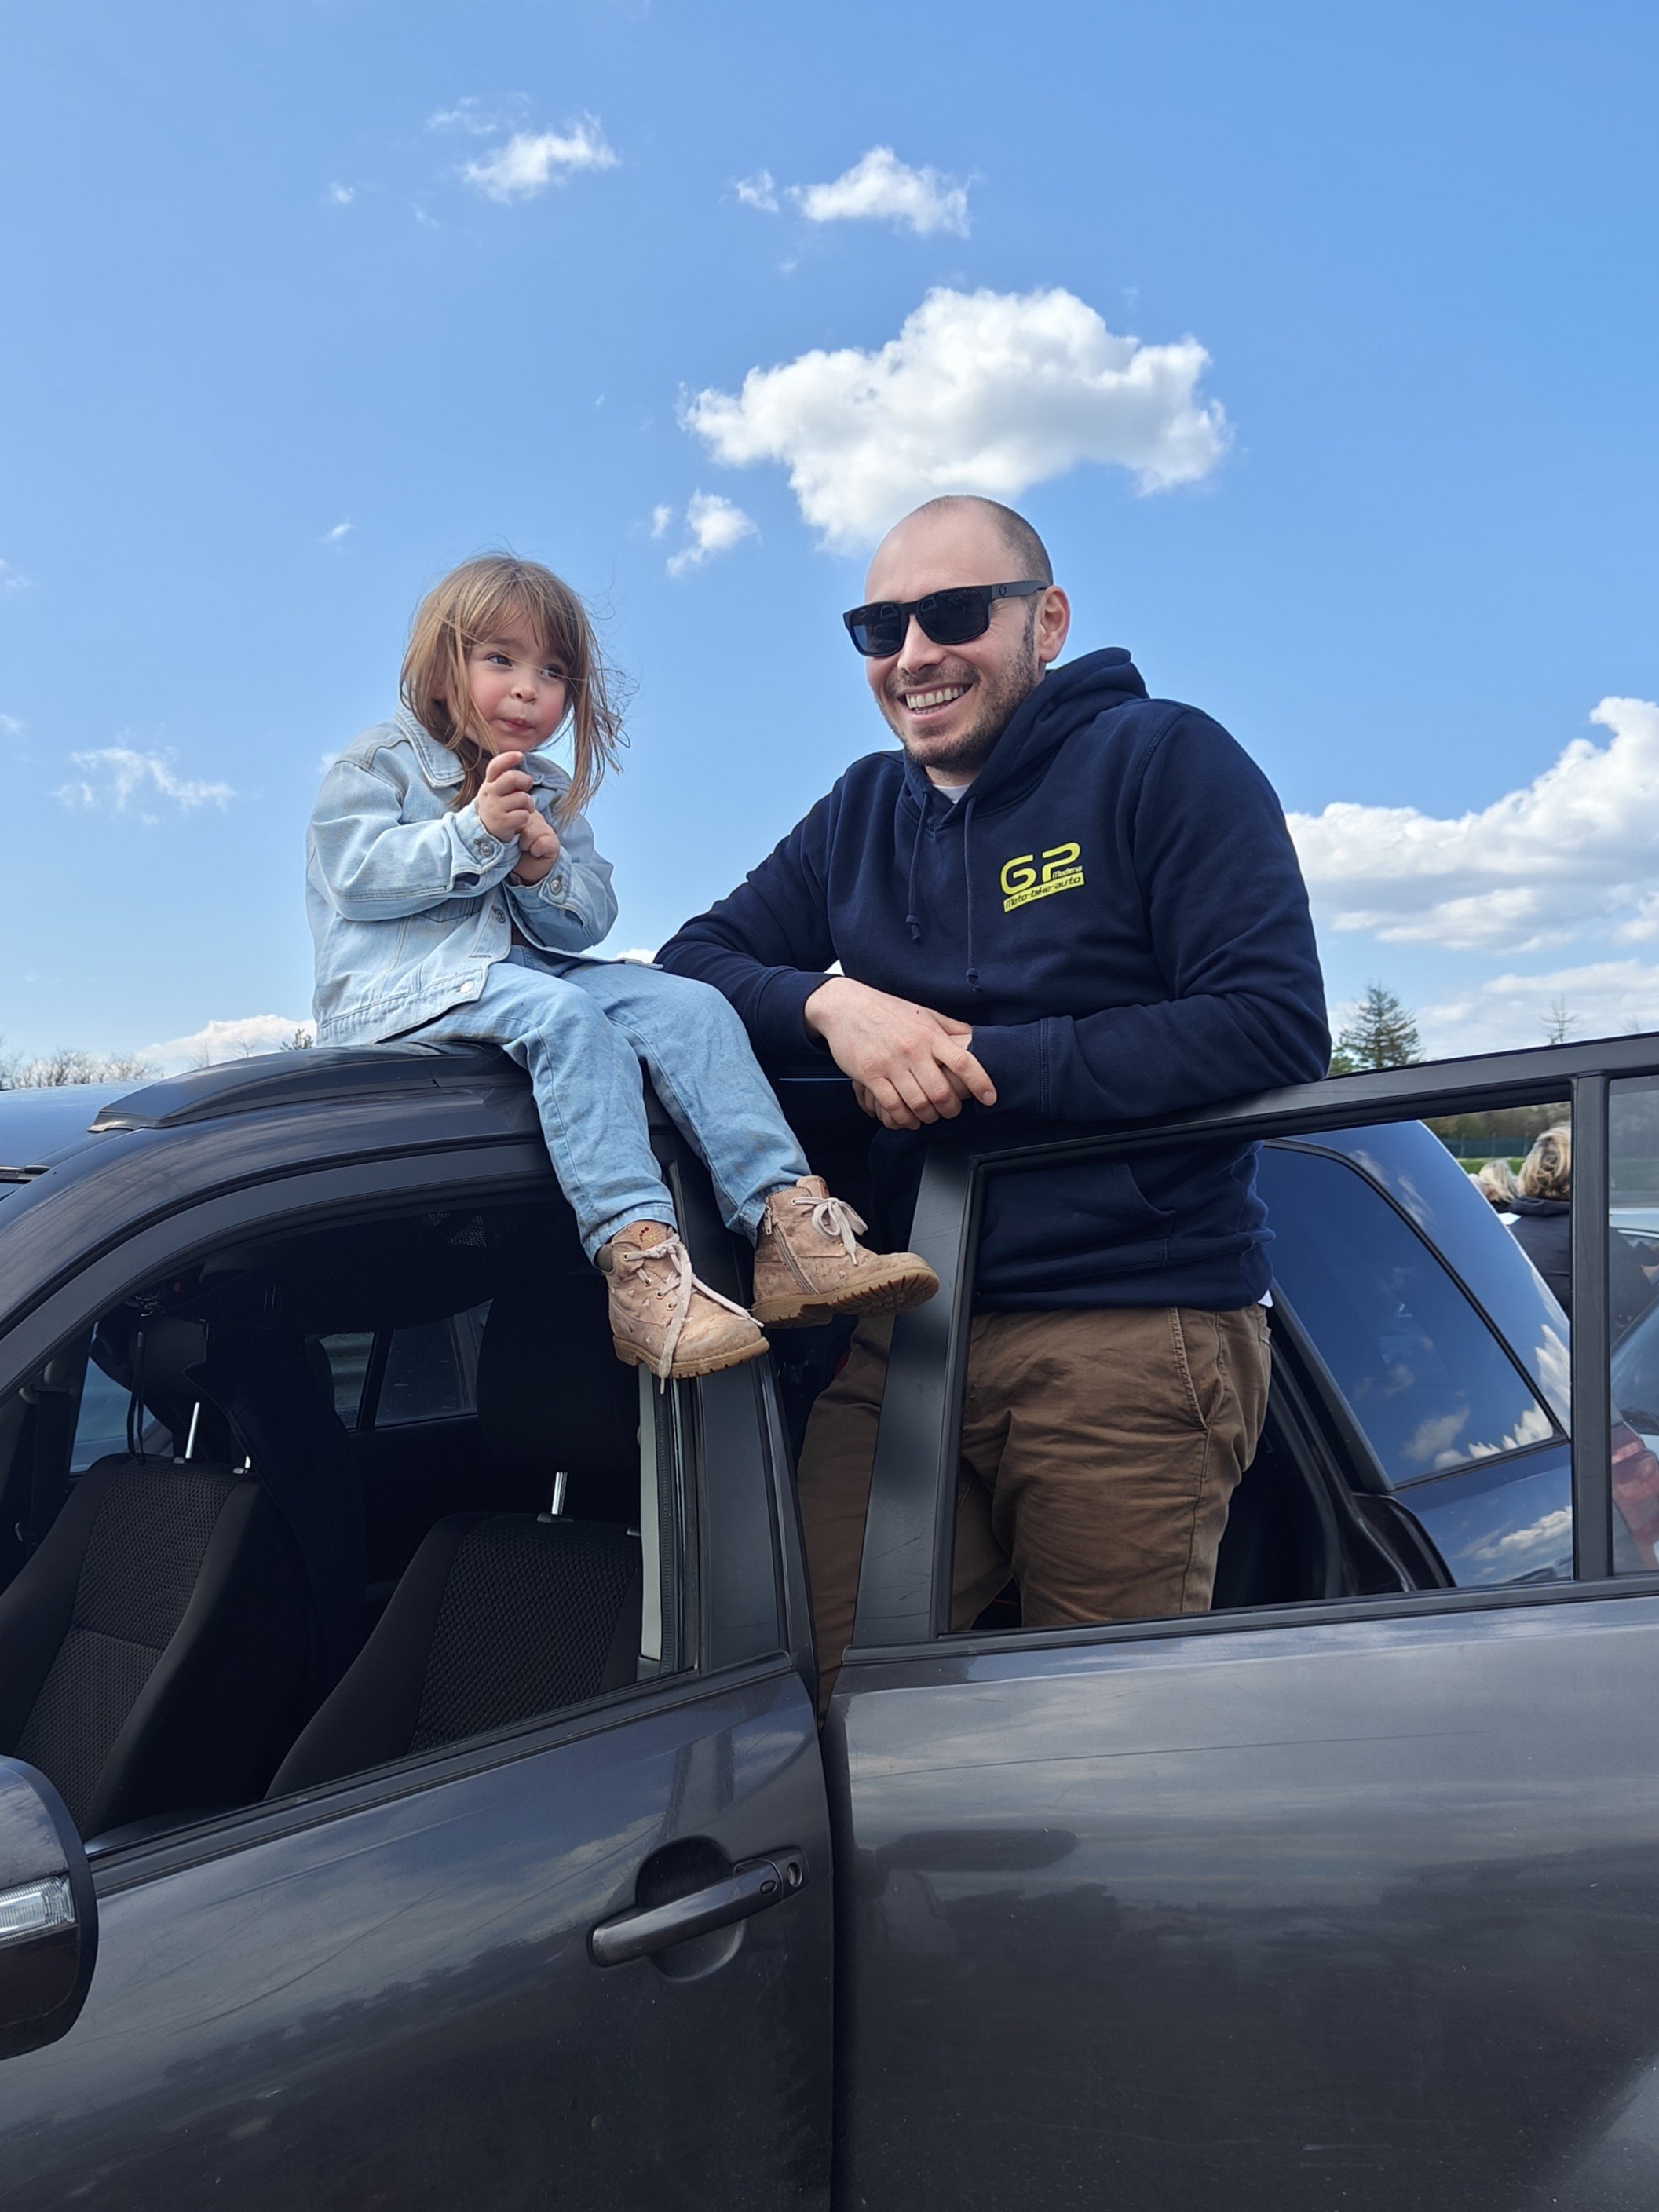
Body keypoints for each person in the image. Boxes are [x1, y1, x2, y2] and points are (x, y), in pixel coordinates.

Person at [658, 495, 1330, 1703]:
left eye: (953, 614)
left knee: (1097, 1737)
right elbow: (690, 965)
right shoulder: (860, 810)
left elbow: (1271, 1023)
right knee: (795, 1700)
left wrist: (973, 1065)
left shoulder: (1164, 759)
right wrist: (836, 1009)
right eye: (878, 627)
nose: (913, 654)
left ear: (1046, 621)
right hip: (908, 1322)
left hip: (1127, 1321)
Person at [306, 554, 937, 1380]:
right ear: (439, 665)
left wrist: (540, 873)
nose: (530, 689)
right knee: (566, 1022)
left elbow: (589, 919)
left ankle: (789, 1231)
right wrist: (473, 835)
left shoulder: (547, 787)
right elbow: (354, 877)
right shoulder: (380, 759)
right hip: (402, 989)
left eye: (554, 671)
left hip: (522, 971)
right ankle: (640, 1264)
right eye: (500, 660)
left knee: (691, 1004)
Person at [1507, 1122, 1654, 1332]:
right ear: (1587, 1173)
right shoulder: (1592, 1236)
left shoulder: (1511, 1235)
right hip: (1581, 1361)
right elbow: (1644, 1309)